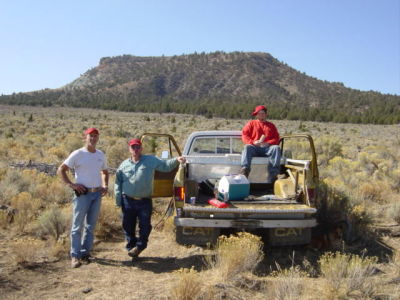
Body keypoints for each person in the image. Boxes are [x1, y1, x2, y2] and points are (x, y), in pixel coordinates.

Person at [114, 138, 186, 259]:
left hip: (144, 200)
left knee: (145, 226)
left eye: (138, 147)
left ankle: (140, 246)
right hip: (128, 200)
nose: (135, 149)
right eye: (133, 147)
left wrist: (177, 160)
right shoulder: (124, 165)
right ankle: (132, 248)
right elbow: (118, 183)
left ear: (141, 148)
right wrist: (118, 200)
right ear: (129, 149)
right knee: (128, 226)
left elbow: (165, 166)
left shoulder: (150, 160)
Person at [57, 127, 109, 268]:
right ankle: (75, 256)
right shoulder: (78, 154)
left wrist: (105, 185)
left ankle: (85, 253)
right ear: (85, 137)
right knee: (77, 226)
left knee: (90, 226)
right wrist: (71, 185)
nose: (93, 138)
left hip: (96, 194)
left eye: (95, 136)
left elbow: (105, 171)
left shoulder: (100, 154)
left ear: (98, 138)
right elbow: (61, 169)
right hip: (83, 194)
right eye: (90, 136)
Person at [240, 105, 281, 183]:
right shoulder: (251, 124)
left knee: (276, 148)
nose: (261, 115)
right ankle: (245, 171)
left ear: (266, 114)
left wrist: (268, 143)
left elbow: (276, 138)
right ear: (256, 115)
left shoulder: (271, 126)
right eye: (259, 113)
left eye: (263, 113)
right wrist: (253, 142)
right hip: (255, 147)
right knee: (247, 147)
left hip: (267, 148)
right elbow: (244, 135)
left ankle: (274, 174)